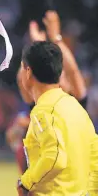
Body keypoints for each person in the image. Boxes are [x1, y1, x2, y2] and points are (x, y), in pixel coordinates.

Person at [17, 41, 98, 196]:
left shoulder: (44, 111)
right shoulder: (76, 107)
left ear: (28, 72)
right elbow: (95, 156)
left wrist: (25, 182)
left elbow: (54, 157)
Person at [13, 11, 88, 174]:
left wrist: (55, 39)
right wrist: (38, 48)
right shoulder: (40, 105)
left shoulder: (77, 104)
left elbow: (74, 71)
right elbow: (23, 78)